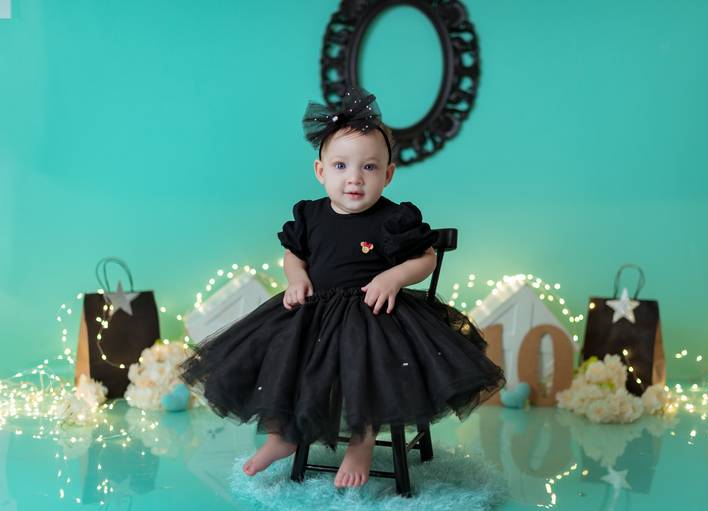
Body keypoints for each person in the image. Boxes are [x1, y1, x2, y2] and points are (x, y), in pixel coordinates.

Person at [178, 87, 505, 490]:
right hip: (314, 310)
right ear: (321, 171)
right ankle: (283, 436)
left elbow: (426, 259)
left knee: (364, 364)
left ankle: (361, 442)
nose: (354, 178)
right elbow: (293, 255)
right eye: (340, 165)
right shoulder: (310, 215)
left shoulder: (393, 219)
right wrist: (297, 278)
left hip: (374, 313)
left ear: (388, 174)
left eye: (369, 167)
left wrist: (392, 277)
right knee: (284, 356)